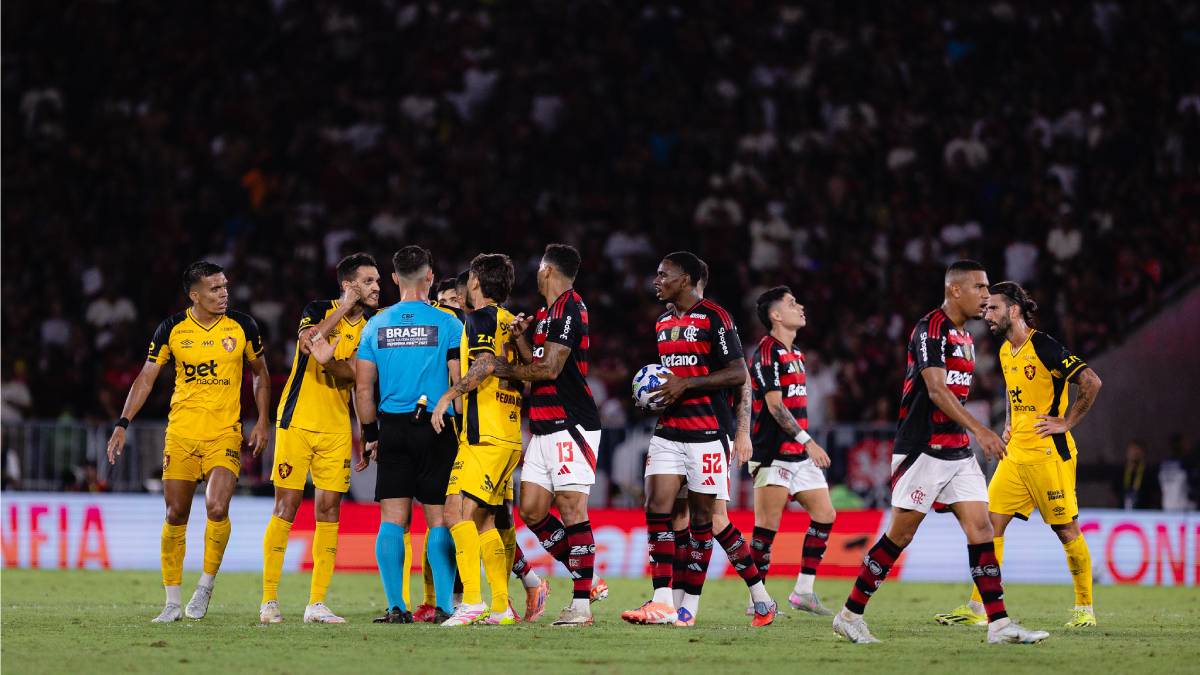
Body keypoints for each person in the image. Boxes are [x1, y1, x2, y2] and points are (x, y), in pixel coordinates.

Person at [831, 260, 1049, 645]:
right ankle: (849, 614)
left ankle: (998, 624)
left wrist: (970, 435)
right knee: (901, 534)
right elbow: (936, 390)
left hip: (956, 451)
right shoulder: (930, 328)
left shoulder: (966, 337)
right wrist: (981, 429)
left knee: (981, 529)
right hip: (922, 449)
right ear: (956, 290)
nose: (986, 296)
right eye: (980, 288)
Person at [106, 261, 270, 623]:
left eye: (225, 286)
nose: (224, 293)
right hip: (180, 433)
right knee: (175, 514)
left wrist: (262, 420)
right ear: (195, 295)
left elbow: (260, 373)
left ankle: (206, 585)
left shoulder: (243, 326)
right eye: (215, 288)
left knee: (216, 507)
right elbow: (146, 379)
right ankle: (171, 602)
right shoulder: (172, 329)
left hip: (224, 433)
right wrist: (123, 423)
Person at [620, 251, 776, 628]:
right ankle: (662, 601)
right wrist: (656, 396)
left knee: (706, 520)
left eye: (664, 274)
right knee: (659, 508)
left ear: (686, 279)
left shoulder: (716, 318)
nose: (656, 280)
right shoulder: (661, 324)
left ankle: (691, 607)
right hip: (669, 431)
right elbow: (670, 379)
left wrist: (740, 431)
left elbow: (738, 375)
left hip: (707, 434)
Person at [935, 281, 1102, 629]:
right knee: (987, 525)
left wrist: (1066, 422)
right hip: (1015, 456)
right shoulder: (1005, 352)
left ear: (1013, 310)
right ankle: (980, 606)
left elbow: (1091, 382)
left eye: (992, 308)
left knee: (1066, 530)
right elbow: (1015, 394)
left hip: (1048, 455)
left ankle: (1084, 609)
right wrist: (1010, 422)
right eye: (985, 309)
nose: (986, 314)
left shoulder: (1044, 345)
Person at [258, 253, 381, 625]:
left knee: (329, 510)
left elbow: (357, 376)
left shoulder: (373, 327)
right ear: (349, 286)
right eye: (370, 281)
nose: (378, 287)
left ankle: (316, 603)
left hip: (335, 429)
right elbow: (310, 342)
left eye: (378, 281)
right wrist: (341, 311)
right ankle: (269, 600)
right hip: (296, 420)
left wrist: (332, 363)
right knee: (287, 506)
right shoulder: (317, 308)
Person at [494, 243, 606, 626]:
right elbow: (536, 360)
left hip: (571, 425)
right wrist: (520, 339)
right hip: (542, 426)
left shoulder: (571, 307)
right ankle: (585, 576)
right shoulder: (545, 314)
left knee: (573, 509)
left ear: (547, 271)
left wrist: (499, 369)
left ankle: (582, 604)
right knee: (533, 511)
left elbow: (551, 369)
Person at [354, 246, 463, 624]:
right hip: (437, 425)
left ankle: (396, 606)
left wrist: (370, 436)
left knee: (393, 520)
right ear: (431, 277)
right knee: (438, 520)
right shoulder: (449, 322)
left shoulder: (376, 325)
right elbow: (458, 379)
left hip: (394, 428)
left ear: (395, 278)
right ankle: (446, 607)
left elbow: (363, 389)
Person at [430, 253, 524, 626]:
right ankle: (500, 607)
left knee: (455, 511)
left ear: (474, 283)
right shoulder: (508, 321)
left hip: (486, 435)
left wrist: (448, 396)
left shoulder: (483, 318)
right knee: (483, 522)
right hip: (507, 433)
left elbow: (484, 364)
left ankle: (471, 601)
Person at [747, 286, 837, 616]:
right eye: (791, 303)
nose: (800, 307)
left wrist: (803, 444)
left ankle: (803, 591)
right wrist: (808, 441)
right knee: (766, 530)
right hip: (774, 453)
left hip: (797, 453)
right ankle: (757, 600)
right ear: (775, 316)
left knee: (825, 515)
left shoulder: (795, 353)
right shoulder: (766, 352)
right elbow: (774, 406)